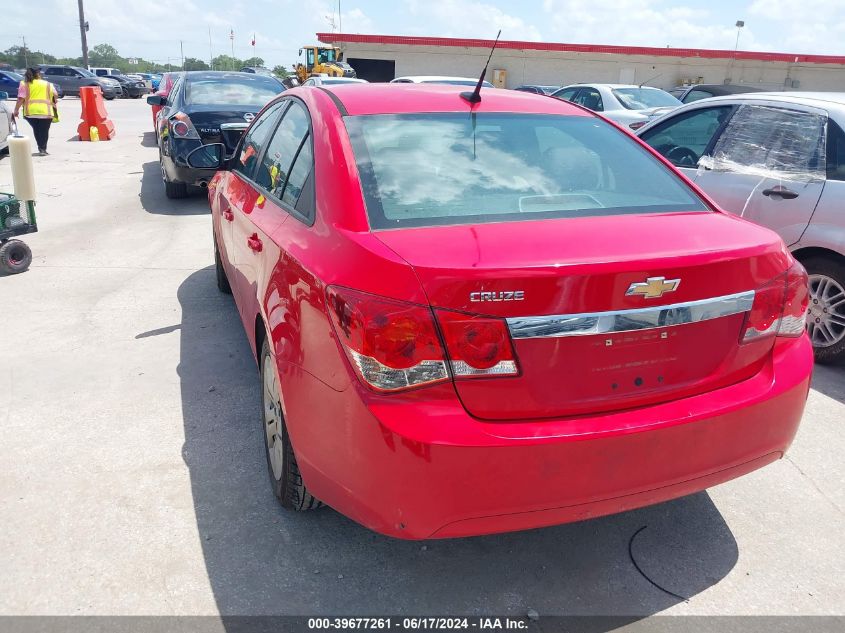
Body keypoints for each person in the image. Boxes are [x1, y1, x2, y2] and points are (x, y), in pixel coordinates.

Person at [12, 67, 58, 156]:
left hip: (31, 112)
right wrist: (54, 101)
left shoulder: (24, 84)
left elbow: (21, 98)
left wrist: (16, 110)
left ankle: (41, 148)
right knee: (44, 131)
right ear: (38, 74)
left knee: (37, 130)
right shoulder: (48, 84)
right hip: (46, 112)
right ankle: (42, 149)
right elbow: (55, 95)